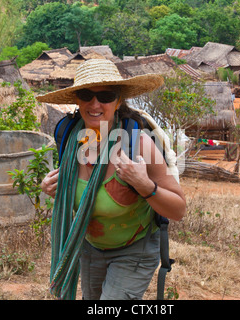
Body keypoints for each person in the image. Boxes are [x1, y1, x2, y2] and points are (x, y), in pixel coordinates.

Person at [37, 59, 186, 300]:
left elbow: (179, 209)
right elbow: (72, 191)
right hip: (89, 247)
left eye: (106, 96)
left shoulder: (138, 145)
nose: (95, 104)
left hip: (134, 249)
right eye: (86, 95)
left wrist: (144, 185)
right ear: (77, 99)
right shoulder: (68, 138)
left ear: (118, 102)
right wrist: (52, 187)